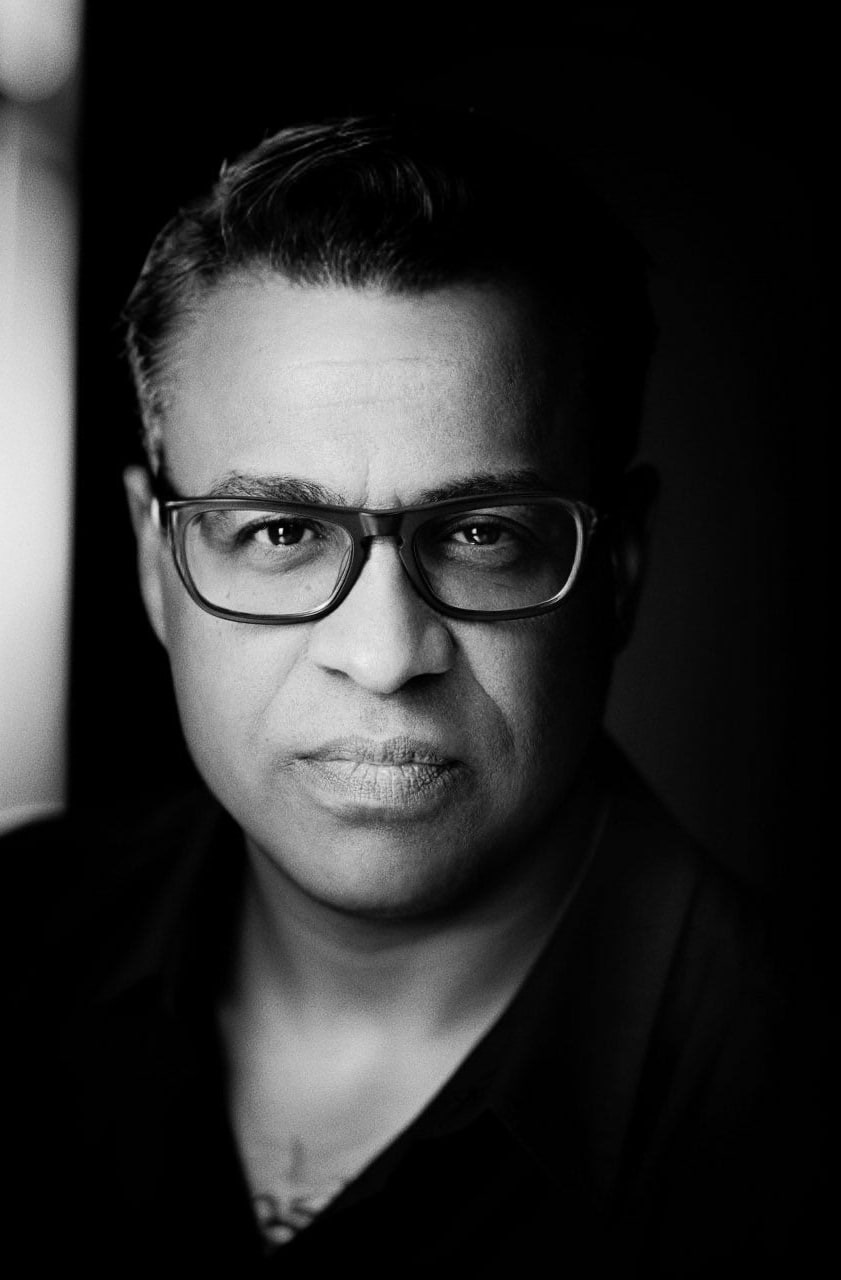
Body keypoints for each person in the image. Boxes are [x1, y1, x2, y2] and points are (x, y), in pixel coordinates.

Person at [6, 111, 827, 1273]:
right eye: (280, 530)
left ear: (619, 572)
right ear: (155, 560)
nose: (384, 653)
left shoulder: (800, 1118)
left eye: (481, 532)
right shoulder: (15, 941)